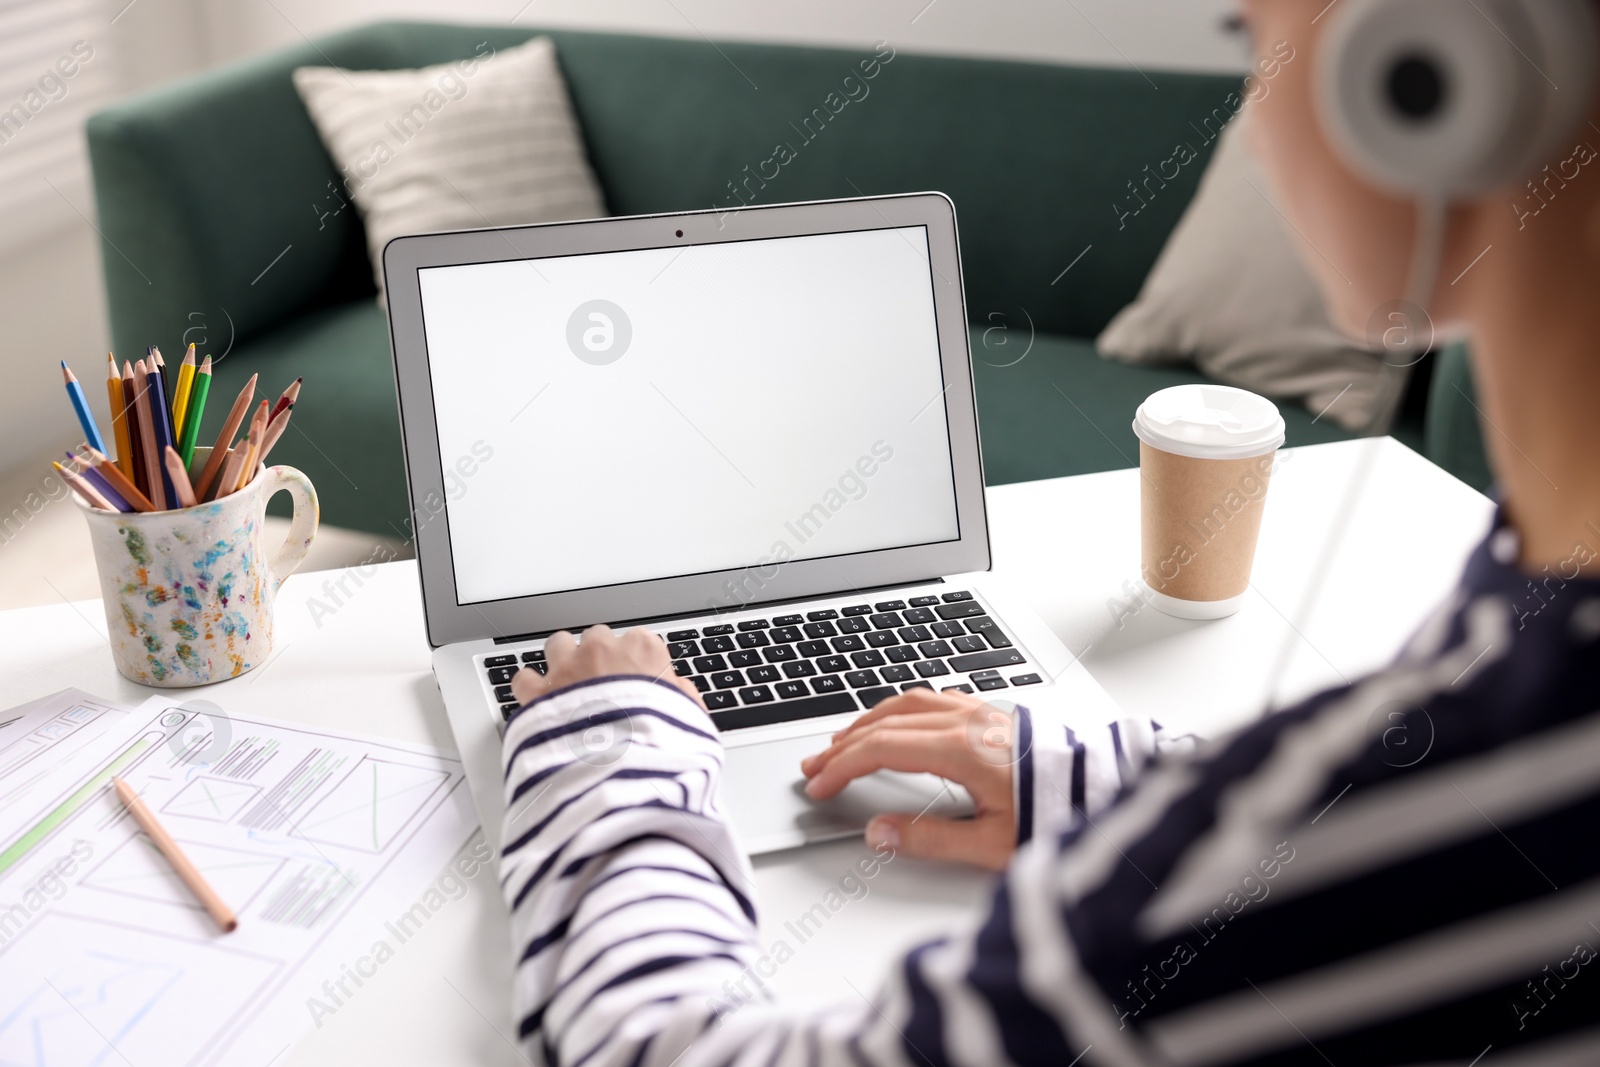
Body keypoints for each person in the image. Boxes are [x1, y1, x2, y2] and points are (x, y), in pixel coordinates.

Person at [501, 1, 1600, 1062]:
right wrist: (1122, 786)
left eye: (1253, 36)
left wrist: (612, 743)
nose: (1255, 123)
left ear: (1429, 72)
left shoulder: (1287, 882)